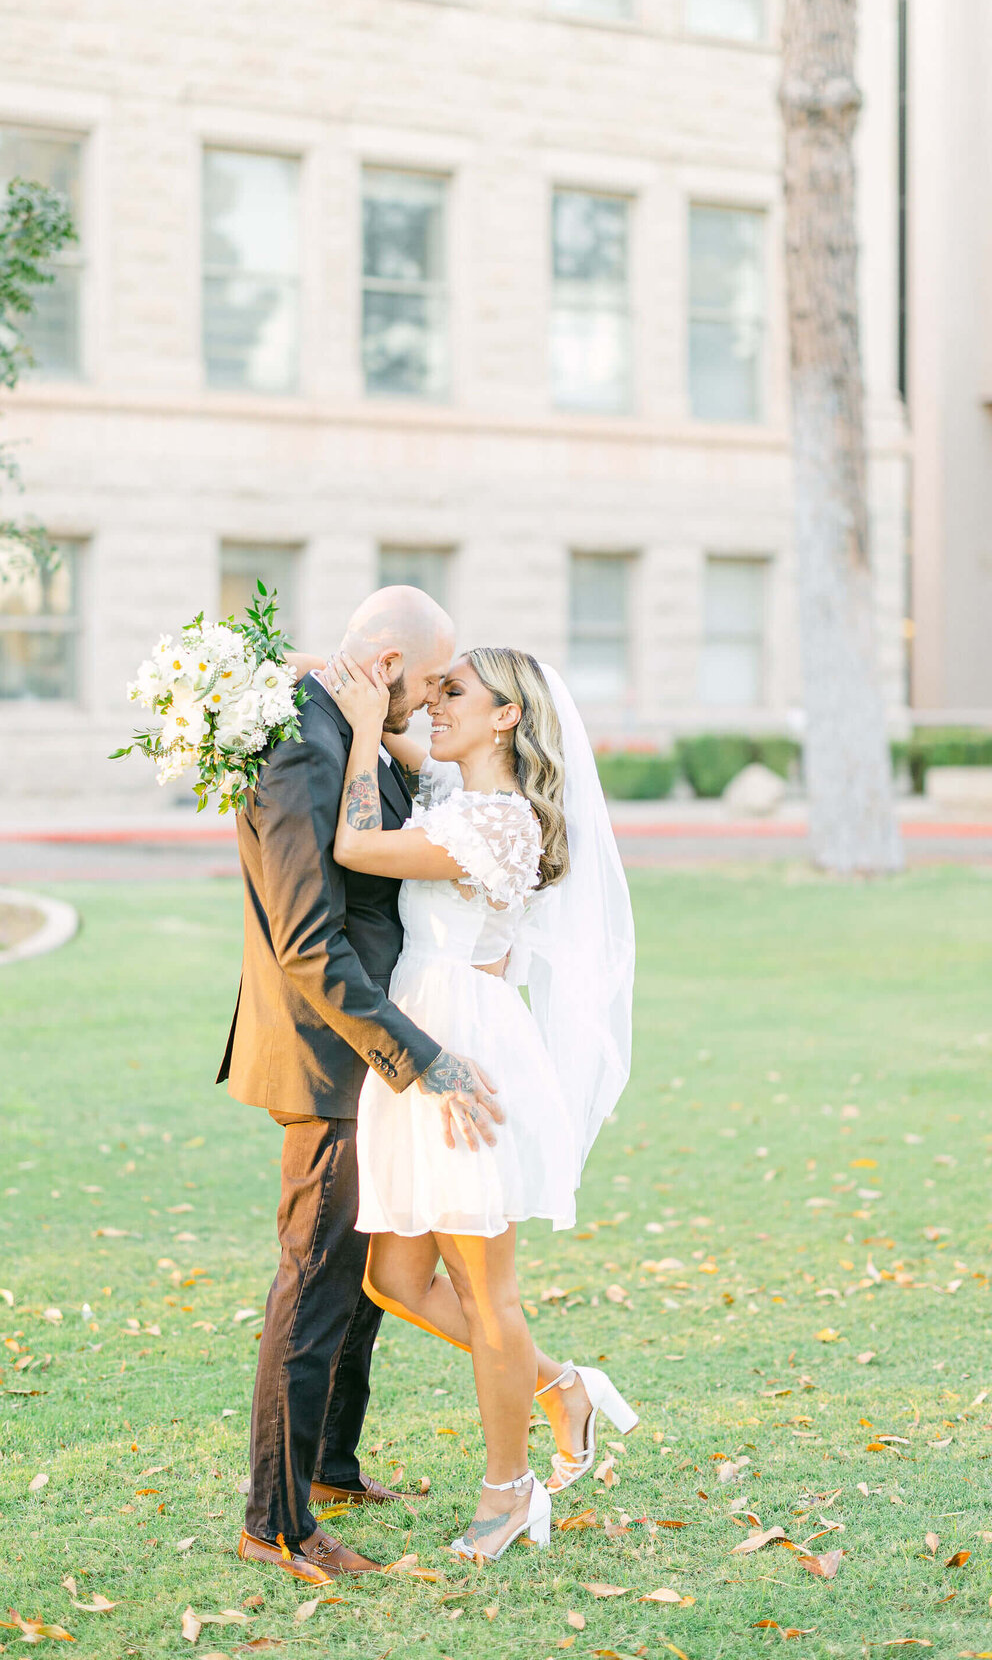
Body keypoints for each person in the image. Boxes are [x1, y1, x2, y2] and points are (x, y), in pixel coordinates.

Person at [326, 642, 638, 1562]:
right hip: (424, 1038)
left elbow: (352, 845)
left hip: (465, 1051)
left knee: (483, 1289)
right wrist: (355, 677)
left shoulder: (498, 824)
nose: (432, 703)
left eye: (453, 691)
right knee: (394, 1277)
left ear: (506, 715)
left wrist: (352, 735)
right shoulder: (457, 798)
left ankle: (509, 1491)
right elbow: (397, 723)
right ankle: (560, 1385)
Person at [218, 586, 505, 1585]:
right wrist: (419, 1054)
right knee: (315, 1283)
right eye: (428, 680)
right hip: (333, 1053)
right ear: (386, 663)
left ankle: (331, 1467)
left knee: (364, 1280)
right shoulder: (304, 745)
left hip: (366, 1053)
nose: (433, 700)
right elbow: (308, 942)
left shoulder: (349, 730)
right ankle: (276, 1521)